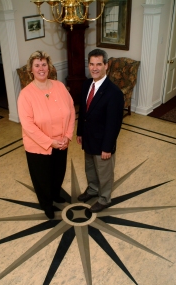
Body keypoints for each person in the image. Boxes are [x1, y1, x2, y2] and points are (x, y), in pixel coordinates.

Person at [18, 51, 75, 219]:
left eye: (44, 64)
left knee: (58, 172)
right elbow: (28, 126)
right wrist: (51, 142)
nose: (41, 68)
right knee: (42, 178)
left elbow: (71, 110)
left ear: (49, 67)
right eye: (37, 65)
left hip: (62, 142)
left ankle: (56, 194)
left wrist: (68, 136)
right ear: (31, 69)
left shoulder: (60, 86)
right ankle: (46, 204)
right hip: (39, 146)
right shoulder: (26, 95)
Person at [76, 48, 124, 213]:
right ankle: (92, 190)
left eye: (98, 64)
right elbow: (83, 111)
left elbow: (114, 123)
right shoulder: (86, 84)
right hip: (88, 137)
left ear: (106, 65)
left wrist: (107, 147)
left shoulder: (114, 93)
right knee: (90, 168)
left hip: (103, 141)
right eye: (91, 64)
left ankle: (104, 198)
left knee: (104, 173)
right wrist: (79, 132)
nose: (94, 68)